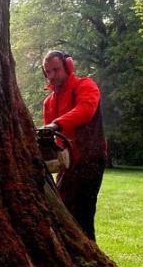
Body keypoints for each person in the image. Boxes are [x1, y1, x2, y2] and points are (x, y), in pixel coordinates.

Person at [41, 50, 106, 241]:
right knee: (61, 210)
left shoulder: (85, 85)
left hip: (89, 160)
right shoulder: (49, 102)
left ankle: (90, 255)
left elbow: (85, 110)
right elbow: (51, 140)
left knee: (82, 215)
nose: (52, 76)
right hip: (68, 164)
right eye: (48, 72)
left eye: (56, 70)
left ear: (68, 67)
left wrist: (56, 124)